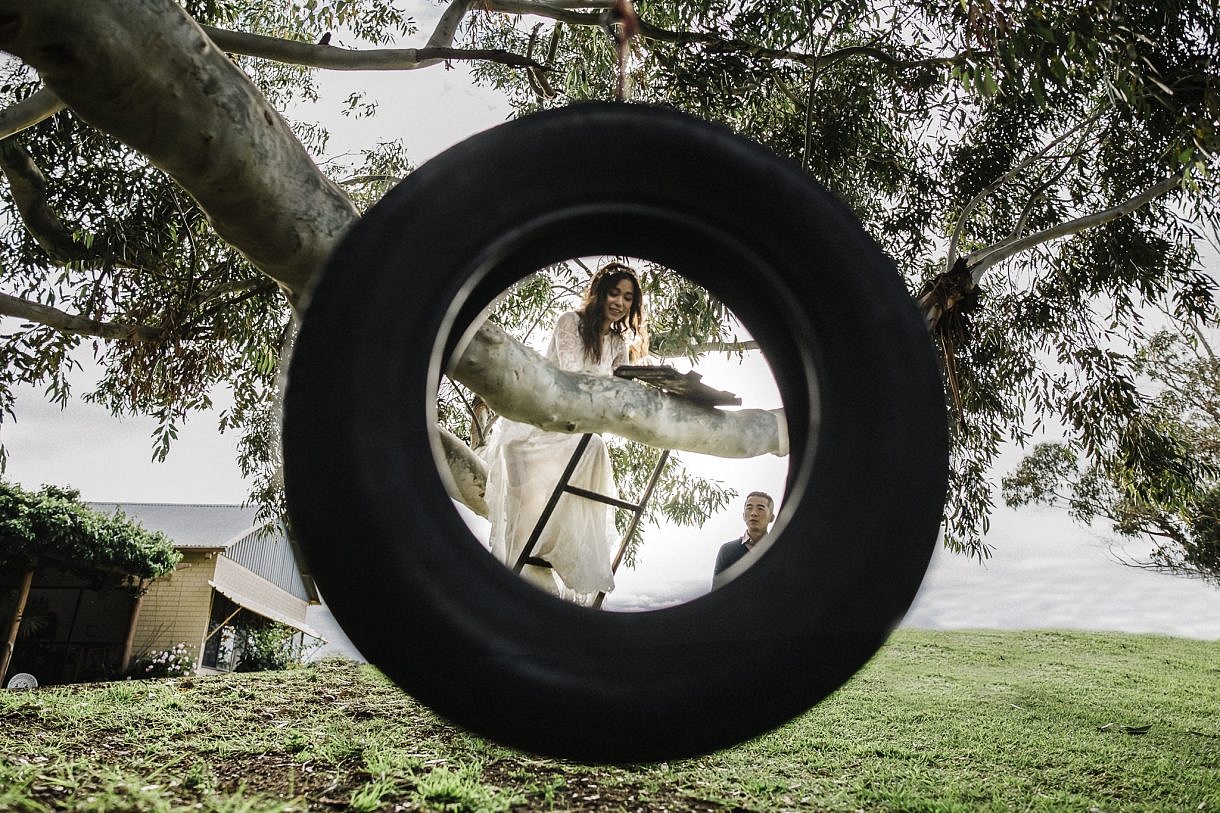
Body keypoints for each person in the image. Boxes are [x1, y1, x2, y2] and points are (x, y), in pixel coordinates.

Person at [484, 262, 645, 603]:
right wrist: (618, 385)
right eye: (614, 292)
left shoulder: (618, 340)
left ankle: (559, 549)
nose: (620, 302)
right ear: (600, 293)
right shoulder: (569, 322)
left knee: (594, 447)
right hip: (540, 428)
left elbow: (621, 385)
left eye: (628, 298)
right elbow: (574, 377)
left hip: (578, 431)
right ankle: (539, 551)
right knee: (592, 447)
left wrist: (643, 374)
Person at [712, 491, 776, 589]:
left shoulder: (779, 548)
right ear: (743, 515)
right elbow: (717, 592)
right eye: (749, 508)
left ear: (771, 518)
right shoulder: (728, 551)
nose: (753, 513)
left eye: (760, 509)